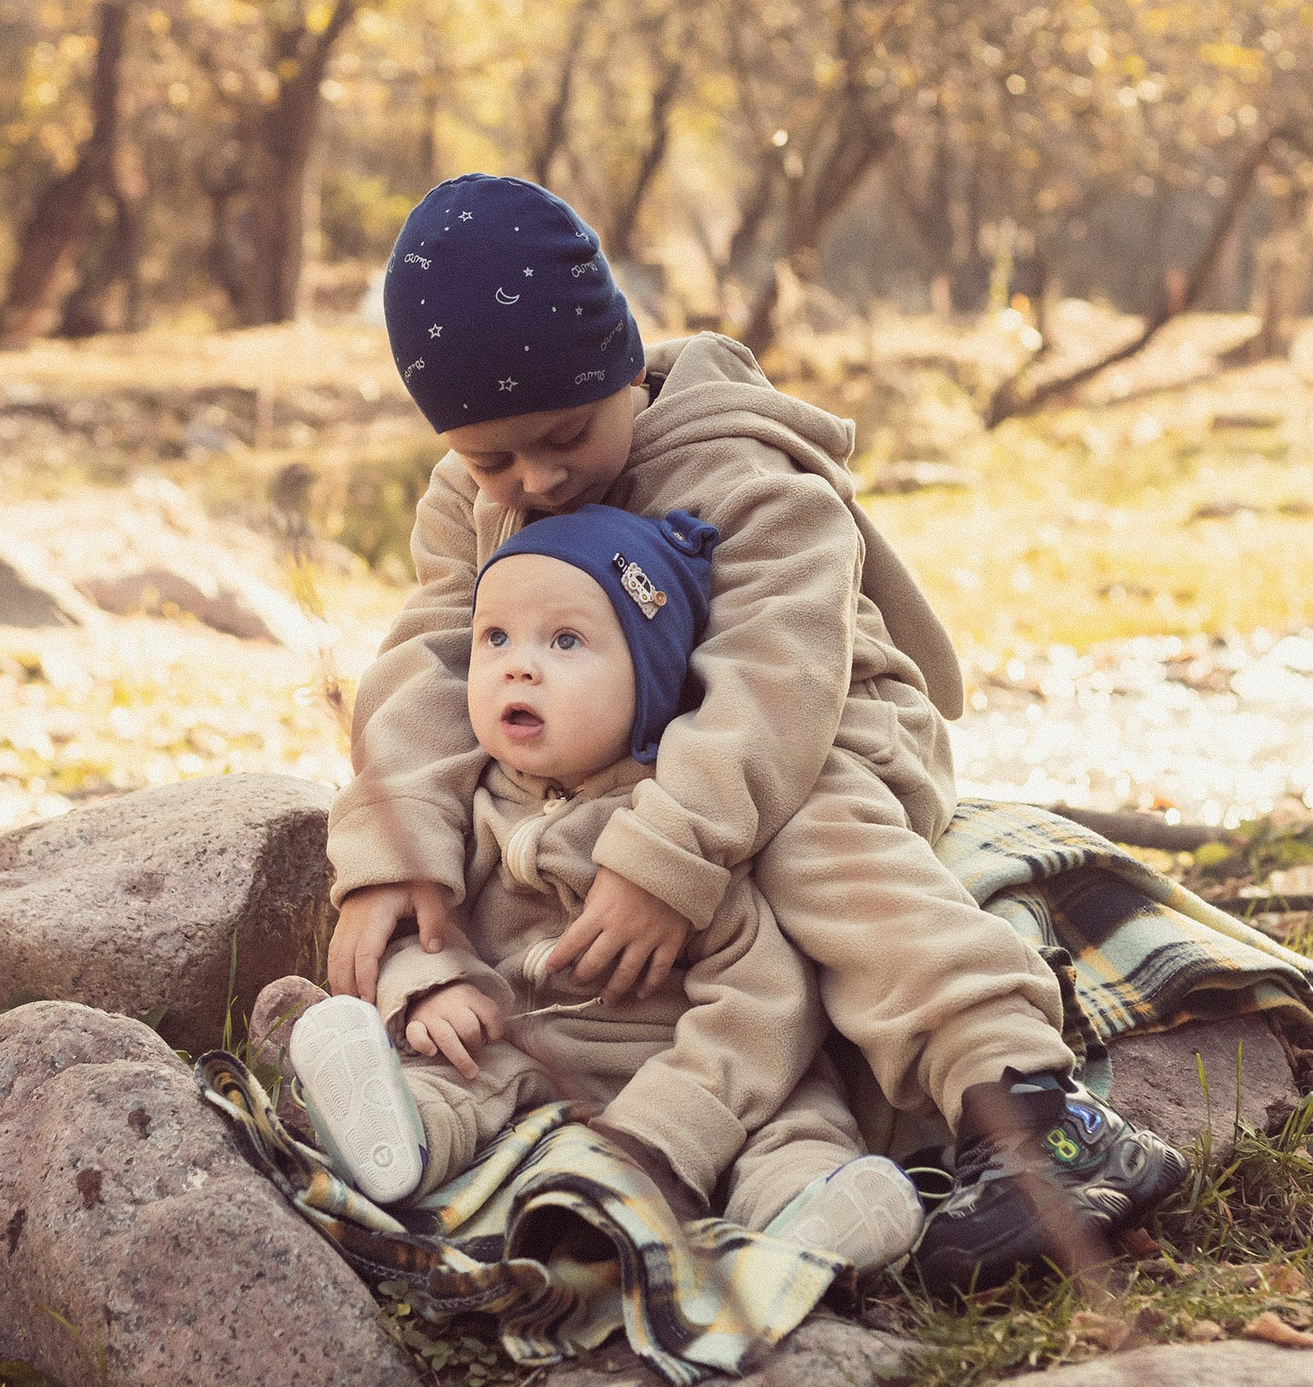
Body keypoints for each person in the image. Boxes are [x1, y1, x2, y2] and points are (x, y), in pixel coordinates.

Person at [320, 174, 1183, 1291]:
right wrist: (392, 850)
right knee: (486, 838)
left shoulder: (748, 471)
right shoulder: (468, 498)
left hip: (817, 730)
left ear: (621, 363)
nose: (533, 480)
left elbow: (778, 679)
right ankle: (440, 1094)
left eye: (565, 434)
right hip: (611, 754)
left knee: (805, 840)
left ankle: (1028, 1109)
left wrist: (669, 852)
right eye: (491, 459)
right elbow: (431, 661)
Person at [281, 501, 926, 1270]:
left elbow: (767, 1005)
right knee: (452, 1077)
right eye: (496, 637)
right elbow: (420, 924)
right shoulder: (463, 809)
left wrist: (669, 1121)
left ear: (650, 681)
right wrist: (428, 986)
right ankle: (391, 1137)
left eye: (566, 640)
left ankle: (813, 1210)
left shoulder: (678, 830)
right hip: (526, 1054)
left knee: (791, 1125)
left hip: (696, 1072)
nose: (520, 664)